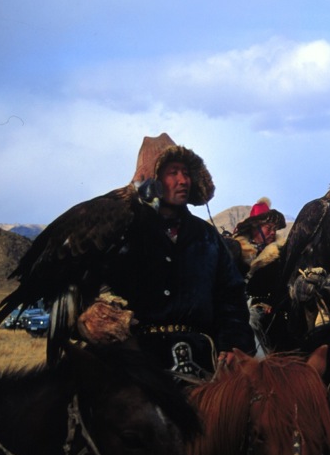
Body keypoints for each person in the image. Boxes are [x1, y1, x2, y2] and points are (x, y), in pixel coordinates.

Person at [80, 136, 255, 377]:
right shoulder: (123, 233)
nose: (183, 180)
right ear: (153, 178)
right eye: (173, 173)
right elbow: (86, 291)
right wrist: (91, 316)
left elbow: (231, 296)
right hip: (134, 366)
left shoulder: (206, 236)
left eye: (186, 173)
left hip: (203, 361)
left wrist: (233, 343)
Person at [230, 197, 286, 277]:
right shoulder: (234, 248)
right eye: (269, 228)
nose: (273, 232)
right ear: (255, 226)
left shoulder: (280, 256)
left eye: (275, 229)